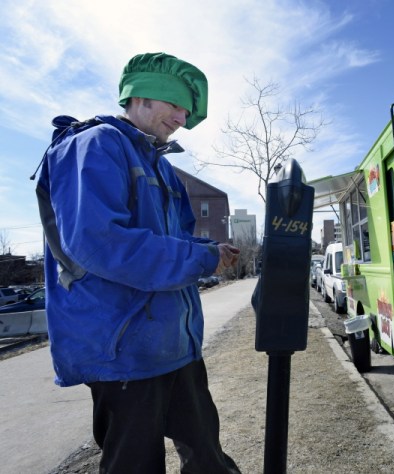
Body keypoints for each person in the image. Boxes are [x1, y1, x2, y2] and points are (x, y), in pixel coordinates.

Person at [36, 52, 241, 473]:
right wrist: (201, 257)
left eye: (188, 110)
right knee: (134, 465)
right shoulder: (95, 146)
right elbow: (100, 244)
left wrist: (209, 253)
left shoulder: (162, 167)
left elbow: (178, 240)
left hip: (175, 345)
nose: (183, 117)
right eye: (177, 104)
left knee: (208, 459)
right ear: (142, 96)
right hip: (123, 349)